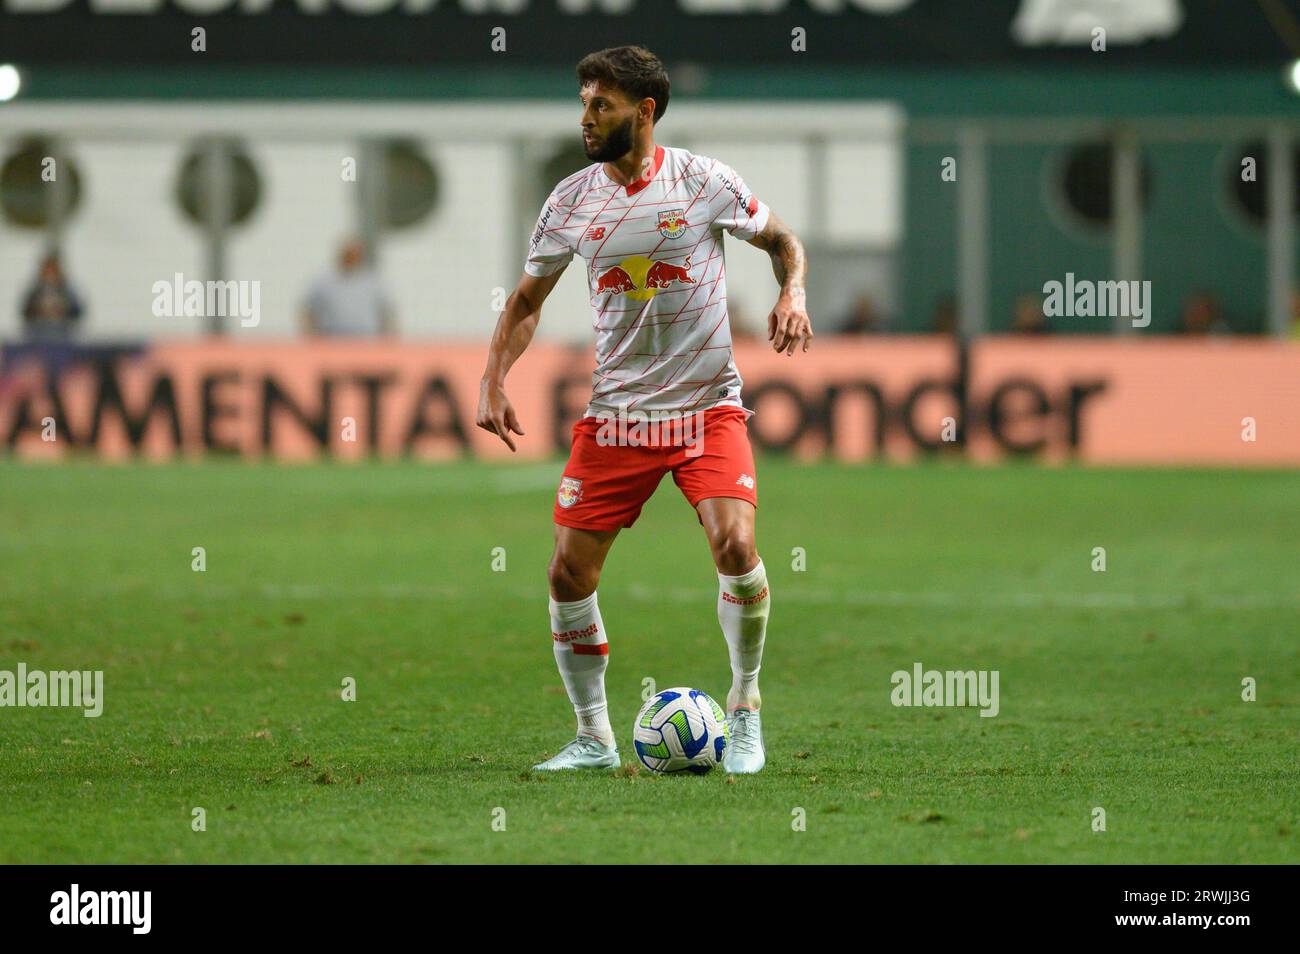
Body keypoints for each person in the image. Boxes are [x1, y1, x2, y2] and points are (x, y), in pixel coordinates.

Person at [476, 45, 812, 775]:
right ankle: (594, 737)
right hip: (618, 417)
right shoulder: (570, 200)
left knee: (735, 548)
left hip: (705, 409)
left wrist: (793, 293)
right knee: (568, 573)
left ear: (645, 111)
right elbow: (526, 302)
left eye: (602, 104)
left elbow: (782, 240)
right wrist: (494, 377)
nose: (587, 117)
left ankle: (746, 708)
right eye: (584, 103)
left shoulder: (703, 182)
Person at [301, 239, 393, 336]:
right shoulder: (323, 282)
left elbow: (385, 312)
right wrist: (313, 338)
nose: (351, 258)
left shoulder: (373, 282)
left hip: (367, 343)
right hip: (333, 343)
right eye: (348, 254)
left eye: (355, 255)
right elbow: (308, 311)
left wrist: (387, 339)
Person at [21, 253, 84, 342]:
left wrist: (62, 309)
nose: (50, 275)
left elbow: (77, 311)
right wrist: (39, 310)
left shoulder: (66, 291)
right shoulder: (35, 291)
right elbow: (25, 311)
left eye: (53, 271)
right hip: (38, 335)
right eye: (48, 271)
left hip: (63, 335)